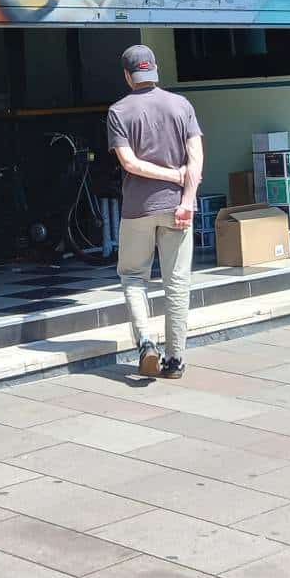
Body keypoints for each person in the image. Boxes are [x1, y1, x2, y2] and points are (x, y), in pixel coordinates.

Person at [106, 44, 203, 380]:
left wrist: (170, 176)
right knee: (177, 283)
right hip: (178, 207)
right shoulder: (181, 105)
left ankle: (146, 343)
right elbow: (196, 158)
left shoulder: (118, 111)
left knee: (133, 277)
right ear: (155, 70)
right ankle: (175, 360)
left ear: (127, 75)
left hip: (138, 210)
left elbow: (130, 163)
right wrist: (186, 196)